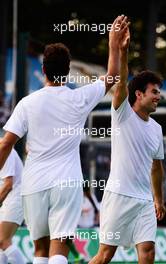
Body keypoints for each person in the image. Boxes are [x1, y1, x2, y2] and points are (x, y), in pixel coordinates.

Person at [0, 15, 130, 264]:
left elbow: (6, 143)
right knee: (59, 248)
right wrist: (114, 44)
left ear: (43, 69)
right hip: (67, 182)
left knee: (40, 249)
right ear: (68, 70)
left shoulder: (27, 103)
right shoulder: (78, 98)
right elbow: (113, 76)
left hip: (34, 182)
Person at [89, 23, 166, 264]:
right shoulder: (122, 114)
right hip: (118, 197)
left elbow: (156, 167)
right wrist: (122, 51)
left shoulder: (157, 129)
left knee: (148, 253)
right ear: (139, 95)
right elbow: (120, 84)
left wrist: (158, 199)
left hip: (144, 201)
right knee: (104, 256)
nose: (158, 96)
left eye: (159, 92)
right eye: (154, 91)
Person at [0, 144, 24, 264]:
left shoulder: (2, 148)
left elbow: (8, 184)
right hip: (6, 199)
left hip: (16, 196)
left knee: (2, 240)